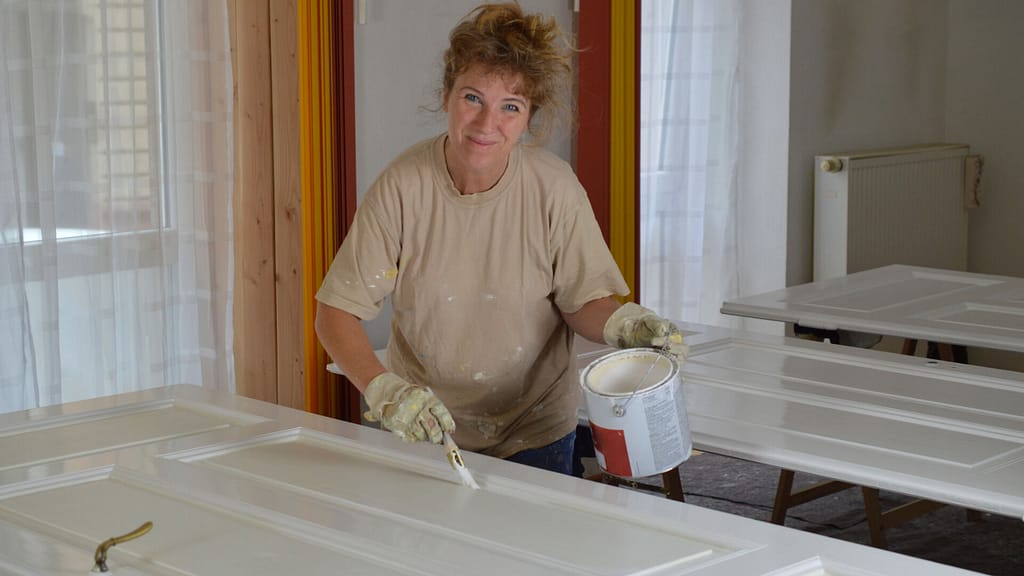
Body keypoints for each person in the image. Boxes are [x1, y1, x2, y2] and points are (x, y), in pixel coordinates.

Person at [314, 2, 686, 476]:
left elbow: (581, 301)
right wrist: (384, 389)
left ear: (529, 115)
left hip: (534, 426)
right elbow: (336, 313)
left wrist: (625, 325)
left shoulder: (554, 187)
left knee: (532, 548)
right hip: (426, 424)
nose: (487, 124)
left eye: (510, 106)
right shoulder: (403, 187)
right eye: (473, 98)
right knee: (429, 549)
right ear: (447, 94)